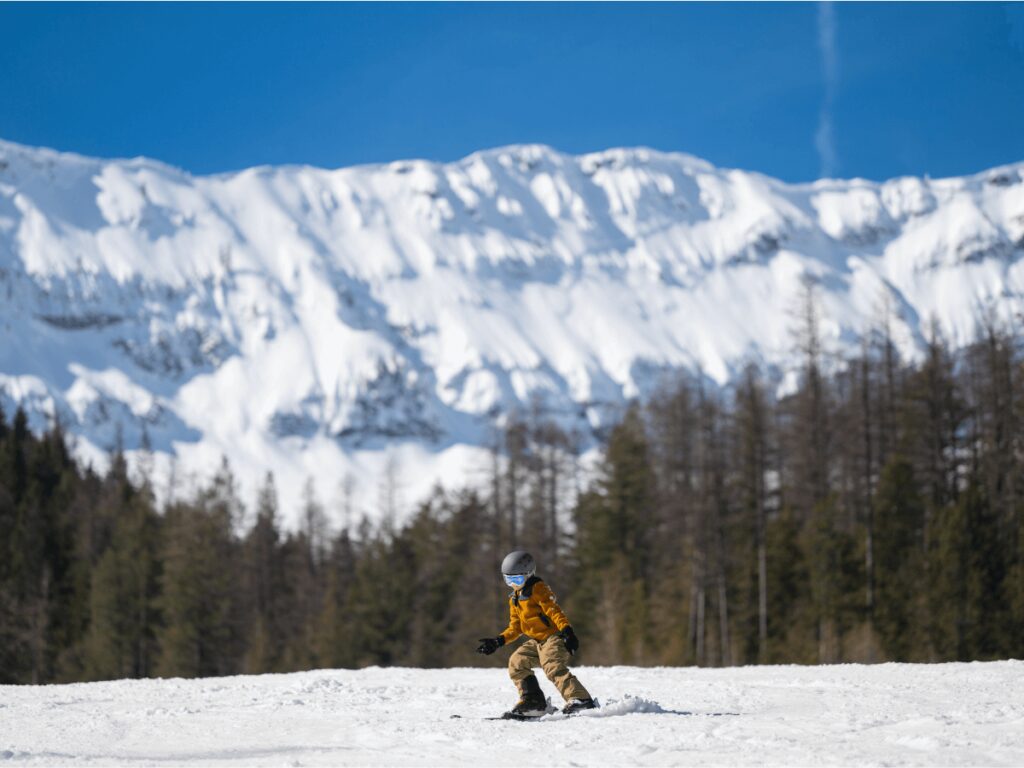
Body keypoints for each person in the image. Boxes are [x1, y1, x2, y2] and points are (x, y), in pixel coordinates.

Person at [476, 550, 596, 716]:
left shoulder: (538, 589)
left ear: (529, 574)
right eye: (508, 580)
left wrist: (567, 631)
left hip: (554, 638)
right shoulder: (514, 599)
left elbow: (554, 611)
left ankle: (581, 700)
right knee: (516, 662)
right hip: (537, 641)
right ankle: (533, 700)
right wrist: (498, 641)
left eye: (517, 579)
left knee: (551, 666)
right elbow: (515, 627)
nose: (513, 584)